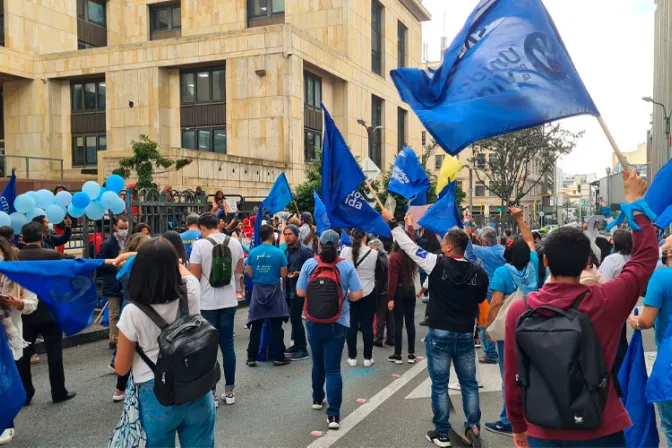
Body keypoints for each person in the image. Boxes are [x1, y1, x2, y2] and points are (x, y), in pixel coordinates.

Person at [504, 170, 657, 448]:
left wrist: (517, 424)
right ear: (588, 261)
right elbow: (645, 257)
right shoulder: (606, 299)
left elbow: (514, 375)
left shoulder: (521, 309)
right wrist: (635, 203)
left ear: (546, 262)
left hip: (542, 427)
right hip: (600, 424)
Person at [381, 210, 488, 448]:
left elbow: (409, 247)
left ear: (449, 248)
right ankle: (474, 426)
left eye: (444, 243)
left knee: (439, 383)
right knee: (469, 383)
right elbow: (480, 298)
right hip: (464, 334)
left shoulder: (436, 264)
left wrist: (392, 222)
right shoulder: (478, 272)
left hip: (439, 332)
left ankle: (441, 433)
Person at [114, 238, 215, 448]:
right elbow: (177, 265)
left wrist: (137, 256)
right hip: (196, 385)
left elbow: (121, 368)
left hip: (155, 392)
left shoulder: (132, 313)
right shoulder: (191, 291)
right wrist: (162, 257)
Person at [296, 229, 364, 431]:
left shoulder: (310, 264)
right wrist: (345, 296)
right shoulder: (345, 266)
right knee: (333, 368)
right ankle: (333, 415)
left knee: (317, 363)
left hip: (313, 321)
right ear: (338, 246)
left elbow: (300, 292)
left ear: (320, 243)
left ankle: (317, 398)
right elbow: (358, 294)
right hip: (337, 322)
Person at [483, 208, 538, 437]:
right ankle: (530, 415)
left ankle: (508, 419)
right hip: (533, 325)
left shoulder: (502, 273)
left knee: (509, 375)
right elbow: (529, 240)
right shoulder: (533, 264)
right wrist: (519, 218)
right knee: (529, 372)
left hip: (509, 331)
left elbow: (495, 304)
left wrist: (488, 326)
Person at [16, 221, 76, 406]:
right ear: (42, 237)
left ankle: (25, 394)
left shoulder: (15, 256)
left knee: (23, 356)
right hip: (50, 310)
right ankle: (58, 391)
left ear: (23, 238)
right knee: (55, 353)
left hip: (25, 311)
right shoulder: (52, 255)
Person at [189, 213, 244, 407]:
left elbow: (194, 276)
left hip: (207, 303)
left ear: (202, 228)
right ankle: (229, 391)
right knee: (227, 346)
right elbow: (239, 270)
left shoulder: (199, 245)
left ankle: (210, 392)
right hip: (228, 301)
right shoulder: (235, 243)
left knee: (208, 348)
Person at [629, 238, 672, 446]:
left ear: (670, 253)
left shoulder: (661, 278)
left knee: (671, 426)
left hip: (668, 360)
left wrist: (635, 321)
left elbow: (646, 321)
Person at [0, 236, 38, 445]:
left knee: (5, 382)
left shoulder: (18, 276)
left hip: (8, 335)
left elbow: (32, 303)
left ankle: (7, 424)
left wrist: (16, 302)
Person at [108, 231, 151, 402]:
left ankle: (120, 388)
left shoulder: (123, 264)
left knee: (127, 345)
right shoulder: (146, 263)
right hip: (146, 308)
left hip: (128, 306)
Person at [245, 224, 291, 367]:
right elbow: (283, 274)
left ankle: (251, 357)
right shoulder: (279, 253)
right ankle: (279, 357)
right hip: (274, 290)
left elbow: (249, 272)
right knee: (276, 326)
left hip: (258, 290)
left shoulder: (253, 252)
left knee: (256, 326)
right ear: (272, 236)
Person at [465, 227, 505, 365]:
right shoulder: (502, 250)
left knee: (485, 321)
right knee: (501, 319)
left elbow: (470, 251)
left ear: (486, 242)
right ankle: (502, 349)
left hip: (489, 289)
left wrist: (467, 235)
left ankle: (490, 353)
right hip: (504, 288)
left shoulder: (487, 252)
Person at [340, 230, 378, 367]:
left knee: (351, 325)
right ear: (365, 237)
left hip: (350, 292)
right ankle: (368, 358)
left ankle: (352, 357)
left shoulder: (344, 251)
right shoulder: (374, 253)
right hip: (368, 291)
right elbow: (378, 273)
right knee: (367, 326)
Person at [98, 216, 129, 349]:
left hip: (125, 282)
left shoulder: (128, 242)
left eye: (126, 228)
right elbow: (101, 264)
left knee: (125, 311)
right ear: (115, 227)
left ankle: (123, 337)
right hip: (112, 282)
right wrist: (117, 265)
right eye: (121, 228)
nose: (124, 231)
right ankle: (113, 338)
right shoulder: (107, 244)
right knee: (114, 312)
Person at [283, 223, 313, 360]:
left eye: (290, 234)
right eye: (285, 234)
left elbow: (313, 271)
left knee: (296, 318)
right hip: (288, 289)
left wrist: (299, 273)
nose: (287, 237)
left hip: (300, 290)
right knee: (293, 319)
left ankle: (302, 348)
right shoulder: (286, 251)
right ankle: (296, 344)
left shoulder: (305, 251)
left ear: (297, 235)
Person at [387, 235, 418, 364]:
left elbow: (392, 279)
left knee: (398, 323)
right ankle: (411, 353)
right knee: (410, 322)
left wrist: (390, 298)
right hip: (410, 288)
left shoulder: (394, 257)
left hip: (399, 290)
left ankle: (398, 354)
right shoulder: (411, 254)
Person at [370, 238, 393, 348]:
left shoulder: (378, 259)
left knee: (380, 315)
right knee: (389, 316)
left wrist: (376, 294)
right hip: (389, 289)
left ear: (376, 247)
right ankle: (391, 338)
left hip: (382, 291)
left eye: (371, 247)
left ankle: (378, 338)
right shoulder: (387, 258)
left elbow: (378, 279)